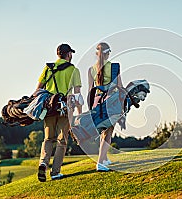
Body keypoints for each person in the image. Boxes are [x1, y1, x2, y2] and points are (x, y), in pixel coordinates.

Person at [36, 43, 83, 181]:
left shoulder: (48, 68)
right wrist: (79, 114)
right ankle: (55, 172)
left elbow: (38, 90)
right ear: (68, 54)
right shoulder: (73, 70)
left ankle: (43, 163)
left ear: (58, 54)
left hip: (49, 109)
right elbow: (77, 94)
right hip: (65, 108)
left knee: (48, 138)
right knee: (61, 140)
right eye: (71, 54)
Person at [88, 42, 122, 171]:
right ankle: (100, 163)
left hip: (97, 103)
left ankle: (104, 158)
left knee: (103, 131)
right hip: (111, 103)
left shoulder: (91, 70)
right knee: (108, 132)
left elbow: (90, 91)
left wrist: (91, 108)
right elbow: (120, 86)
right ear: (107, 53)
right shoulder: (114, 67)